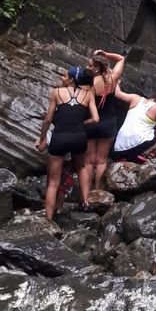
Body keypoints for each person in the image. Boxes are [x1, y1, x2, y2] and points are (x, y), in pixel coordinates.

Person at [36, 67, 99, 220]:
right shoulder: (88, 94)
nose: (61, 77)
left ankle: (49, 219)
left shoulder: (57, 92)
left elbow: (48, 119)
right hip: (79, 137)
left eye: (64, 75)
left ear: (72, 79)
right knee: (81, 166)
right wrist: (81, 123)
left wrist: (43, 138)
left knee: (53, 182)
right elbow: (96, 119)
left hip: (60, 138)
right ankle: (85, 201)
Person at [84, 49, 126, 190]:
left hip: (90, 122)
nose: (87, 67)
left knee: (89, 161)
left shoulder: (88, 83)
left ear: (96, 68)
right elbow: (121, 59)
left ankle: (87, 191)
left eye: (90, 65)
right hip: (108, 123)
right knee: (101, 161)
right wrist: (106, 55)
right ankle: (98, 190)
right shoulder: (113, 78)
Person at [111, 88, 156, 163]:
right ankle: (146, 153)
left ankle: (135, 154)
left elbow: (117, 93)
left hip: (117, 149)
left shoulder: (135, 98)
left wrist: (115, 78)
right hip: (134, 148)